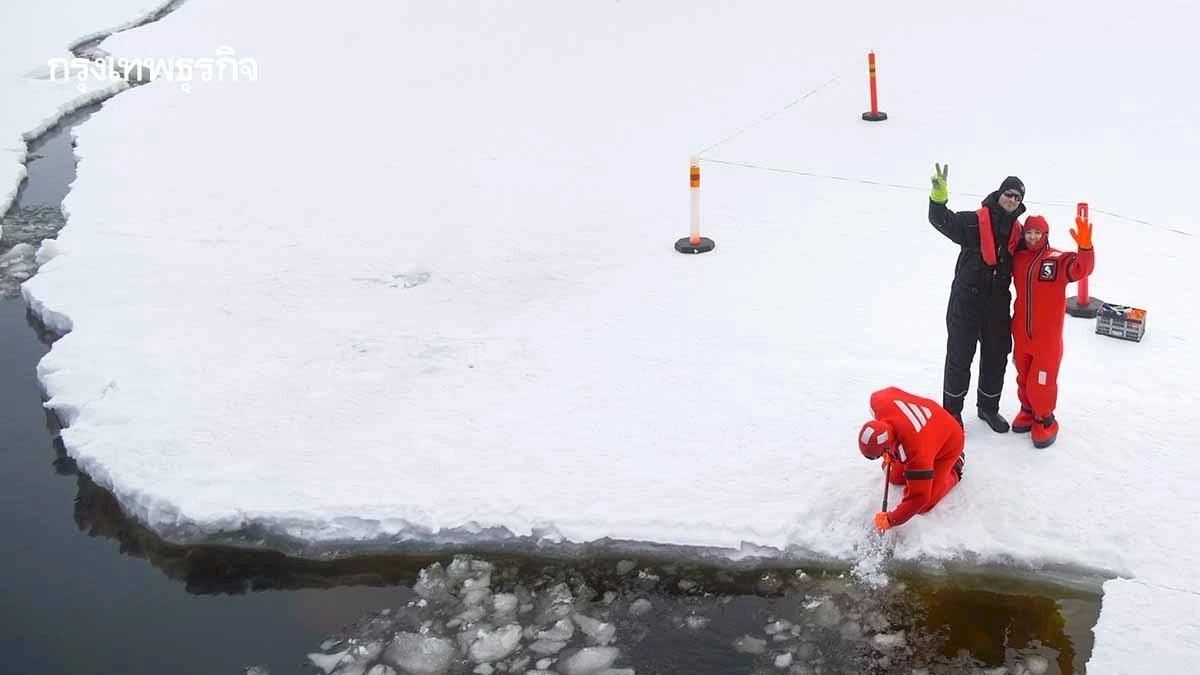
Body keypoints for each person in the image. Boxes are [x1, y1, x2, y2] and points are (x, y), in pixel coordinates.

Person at [928, 163, 1026, 432]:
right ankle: (951, 414)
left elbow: (1037, 251)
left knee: (996, 358)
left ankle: (988, 409)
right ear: (999, 194)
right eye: (1008, 194)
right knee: (960, 357)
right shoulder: (975, 221)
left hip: (997, 305)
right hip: (966, 302)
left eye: (1017, 197)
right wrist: (938, 199)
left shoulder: (1019, 233)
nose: (1012, 199)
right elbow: (943, 221)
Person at [1009, 214, 1095, 448]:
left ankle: (1044, 420)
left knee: (1042, 382)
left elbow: (1081, 268)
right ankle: (1027, 410)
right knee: (1023, 376)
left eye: (1037, 233)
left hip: (1046, 339)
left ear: (1045, 235)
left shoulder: (1056, 259)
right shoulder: (1018, 258)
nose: (1033, 237)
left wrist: (1085, 248)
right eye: (1029, 233)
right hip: (1021, 334)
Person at [858, 386, 965, 532]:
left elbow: (919, 498)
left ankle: (956, 466)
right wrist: (892, 452)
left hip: (949, 441)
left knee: (925, 505)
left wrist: (890, 519)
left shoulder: (917, 453)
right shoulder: (879, 401)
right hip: (929, 426)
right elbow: (891, 391)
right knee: (894, 477)